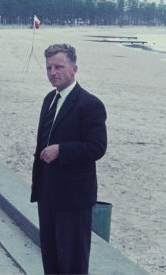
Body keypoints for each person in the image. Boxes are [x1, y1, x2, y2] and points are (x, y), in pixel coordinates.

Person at [30, 43, 107, 274]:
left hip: (74, 198)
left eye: (59, 67)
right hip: (47, 193)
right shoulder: (49, 99)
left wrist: (61, 150)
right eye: (49, 68)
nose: (53, 72)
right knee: (51, 259)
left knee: (73, 262)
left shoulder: (90, 104)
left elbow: (97, 147)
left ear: (74, 69)